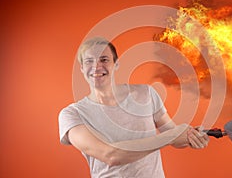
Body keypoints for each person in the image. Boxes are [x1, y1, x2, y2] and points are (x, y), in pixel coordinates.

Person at [58, 37, 210, 177]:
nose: (96, 66)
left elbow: (173, 135)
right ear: (82, 68)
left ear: (116, 64)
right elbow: (110, 155)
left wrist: (190, 136)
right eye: (89, 61)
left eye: (104, 60)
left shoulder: (146, 93)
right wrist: (171, 136)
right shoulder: (72, 114)